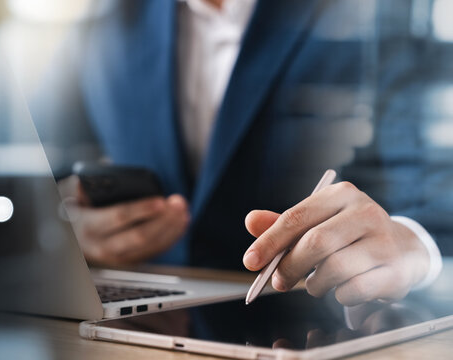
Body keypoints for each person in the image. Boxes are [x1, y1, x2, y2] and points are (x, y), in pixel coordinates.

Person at [45, 0, 445, 307]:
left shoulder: (381, 16)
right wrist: (71, 230)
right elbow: (59, 172)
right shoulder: (104, 24)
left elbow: (432, 181)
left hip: (314, 325)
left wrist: (412, 243)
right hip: (144, 328)